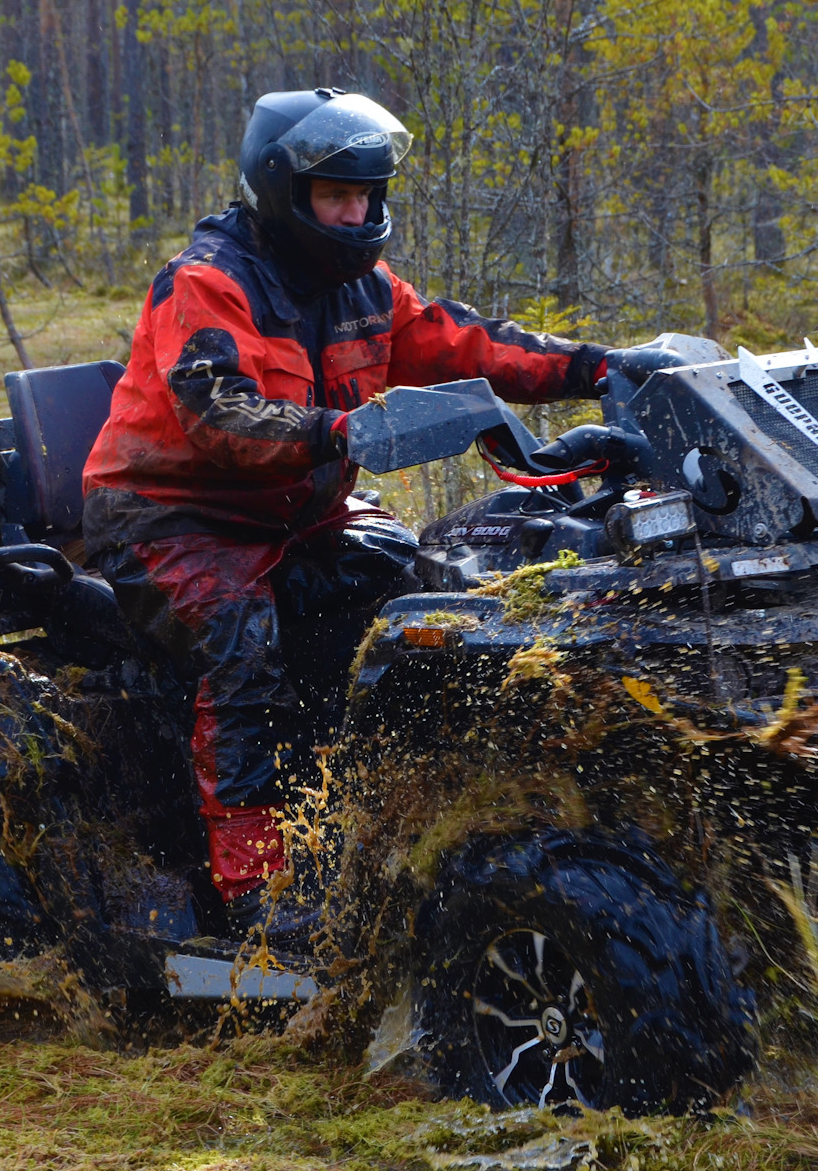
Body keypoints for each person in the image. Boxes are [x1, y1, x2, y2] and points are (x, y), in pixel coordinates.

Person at [82, 88, 611, 935]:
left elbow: (463, 342)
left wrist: (604, 367)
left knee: (420, 605)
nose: (357, 212)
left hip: (301, 513)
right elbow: (219, 418)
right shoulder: (208, 283)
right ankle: (256, 892)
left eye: (367, 195)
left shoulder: (365, 284)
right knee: (242, 648)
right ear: (284, 193)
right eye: (337, 197)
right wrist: (341, 429)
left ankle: (376, 816)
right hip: (172, 515)